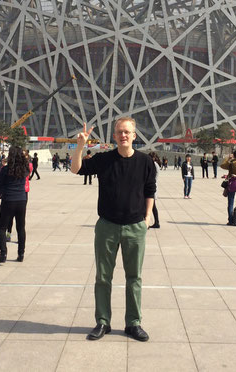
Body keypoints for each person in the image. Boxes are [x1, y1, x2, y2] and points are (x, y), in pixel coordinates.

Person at [71, 118, 156, 342]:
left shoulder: (145, 161)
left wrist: (147, 217)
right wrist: (80, 146)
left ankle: (133, 323)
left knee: (134, 277)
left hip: (135, 227)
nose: (123, 135)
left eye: (127, 132)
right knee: (103, 277)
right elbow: (76, 169)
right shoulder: (104, 159)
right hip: (107, 225)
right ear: (114, 136)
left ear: (134, 136)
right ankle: (102, 322)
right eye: (119, 132)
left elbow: (150, 190)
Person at [0, 146, 29, 263]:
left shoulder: (5, 169)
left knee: (2, 228)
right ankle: (21, 253)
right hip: (21, 200)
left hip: (8, 200)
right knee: (21, 228)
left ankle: (3, 254)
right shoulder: (25, 169)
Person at [148, 152, 161, 228]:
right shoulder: (155, 164)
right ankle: (156, 222)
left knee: (151, 206)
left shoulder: (154, 165)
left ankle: (155, 222)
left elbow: (152, 177)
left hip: (152, 187)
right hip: (152, 186)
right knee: (152, 206)